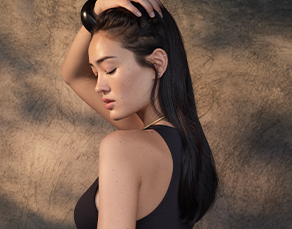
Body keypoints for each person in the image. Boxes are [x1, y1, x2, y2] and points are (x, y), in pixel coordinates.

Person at [61, 0, 218, 228]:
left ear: (157, 63)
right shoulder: (190, 147)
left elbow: (73, 75)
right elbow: (74, 75)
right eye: (96, 73)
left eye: (110, 70)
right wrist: (94, 11)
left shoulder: (125, 147)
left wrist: (95, 7)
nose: (98, 86)